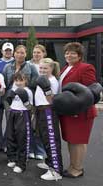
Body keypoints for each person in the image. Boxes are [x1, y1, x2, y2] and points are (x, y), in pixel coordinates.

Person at [56, 42, 98, 178]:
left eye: (73, 53)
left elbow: (91, 90)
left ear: (79, 55)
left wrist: (78, 104)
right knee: (71, 140)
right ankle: (72, 166)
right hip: (68, 111)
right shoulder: (65, 68)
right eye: (67, 52)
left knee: (78, 141)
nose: (69, 55)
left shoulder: (86, 68)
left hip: (81, 112)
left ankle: (78, 168)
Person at [34, 58, 63, 180]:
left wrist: (47, 90)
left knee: (51, 140)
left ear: (51, 68)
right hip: (41, 110)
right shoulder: (43, 79)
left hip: (48, 111)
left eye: (45, 68)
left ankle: (56, 170)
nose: (42, 70)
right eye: (41, 68)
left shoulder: (52, 81)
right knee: (45, 138)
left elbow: (51, 100)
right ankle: (49, 162)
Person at [5, 72, 33, 173]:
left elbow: (30, 108)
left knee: (22, 138)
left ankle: (22, 163)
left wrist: (25, 101)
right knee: (10, 136)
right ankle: (12, 158)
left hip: (23, 114)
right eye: (16, 80)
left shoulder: (28, 91)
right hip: (13, 113)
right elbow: (10, 102)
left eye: (20, 80)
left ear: (25, 80)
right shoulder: (13, 89)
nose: (18, 83)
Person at [27, 44, 48, 160]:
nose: (36, 54)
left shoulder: (47, 64)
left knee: (40, 127)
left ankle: (40, 150)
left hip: (43, 101)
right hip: (31, 99)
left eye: (39, 52)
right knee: (29, 124)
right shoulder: (28, 65)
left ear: (43, 53)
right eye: (34, 52)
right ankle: (29, 149)